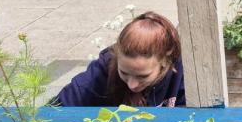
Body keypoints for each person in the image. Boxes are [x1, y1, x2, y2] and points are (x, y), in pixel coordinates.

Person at [52, 11, 185, 107]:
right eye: (124, 73)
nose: (132, 84)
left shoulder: (184, 73)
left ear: (165, 61)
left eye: (143, 76)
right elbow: (54, 112)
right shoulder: (101, 72)